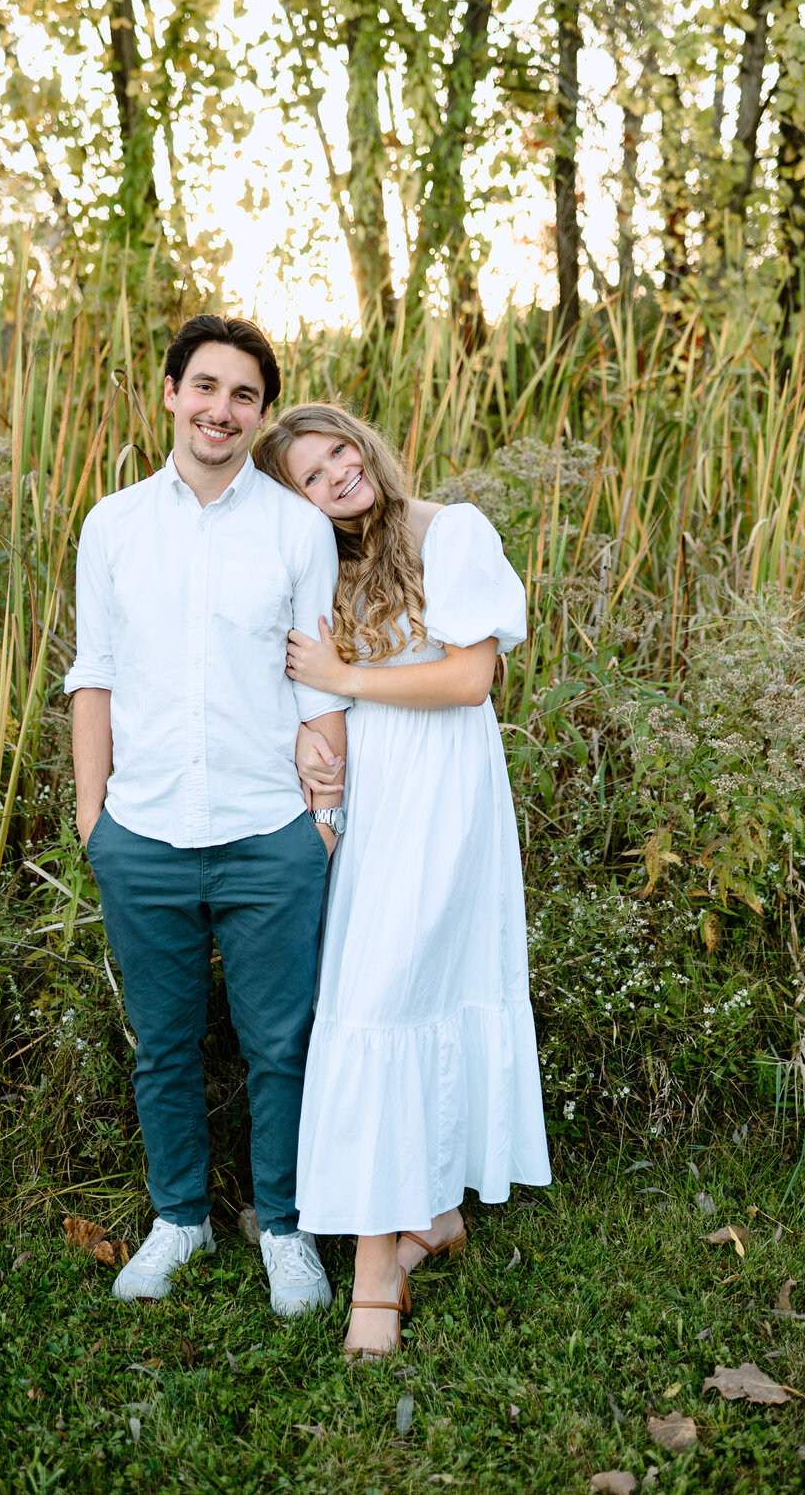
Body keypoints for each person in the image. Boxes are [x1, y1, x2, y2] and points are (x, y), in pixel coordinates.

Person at [66, 317, 349, 1316]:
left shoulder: (296, 529)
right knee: (167, 1042)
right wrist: (95, 817)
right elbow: (92, 677)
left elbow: (321, 690)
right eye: (206, 386)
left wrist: (324, 823)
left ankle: (286, 1227)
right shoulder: (113, 525)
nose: (221, 408)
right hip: (142, 836)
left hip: (270, 834)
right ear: (172, 392)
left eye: (243, 395)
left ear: (261, 413)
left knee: (282, 1044)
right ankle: (178, 1219)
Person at [254, 403, 550, 1357]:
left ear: (365, 445)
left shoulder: (447, 529)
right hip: (369, 798)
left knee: (381, 998)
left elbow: (470, 680)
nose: (337, 473)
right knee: (388, 995)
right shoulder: (320, 561)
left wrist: (346, 675)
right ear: (294, 499)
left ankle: (376, 1277)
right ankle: (432, 1214)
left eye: (341, 450)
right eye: (310, 473)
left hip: (442, 791)